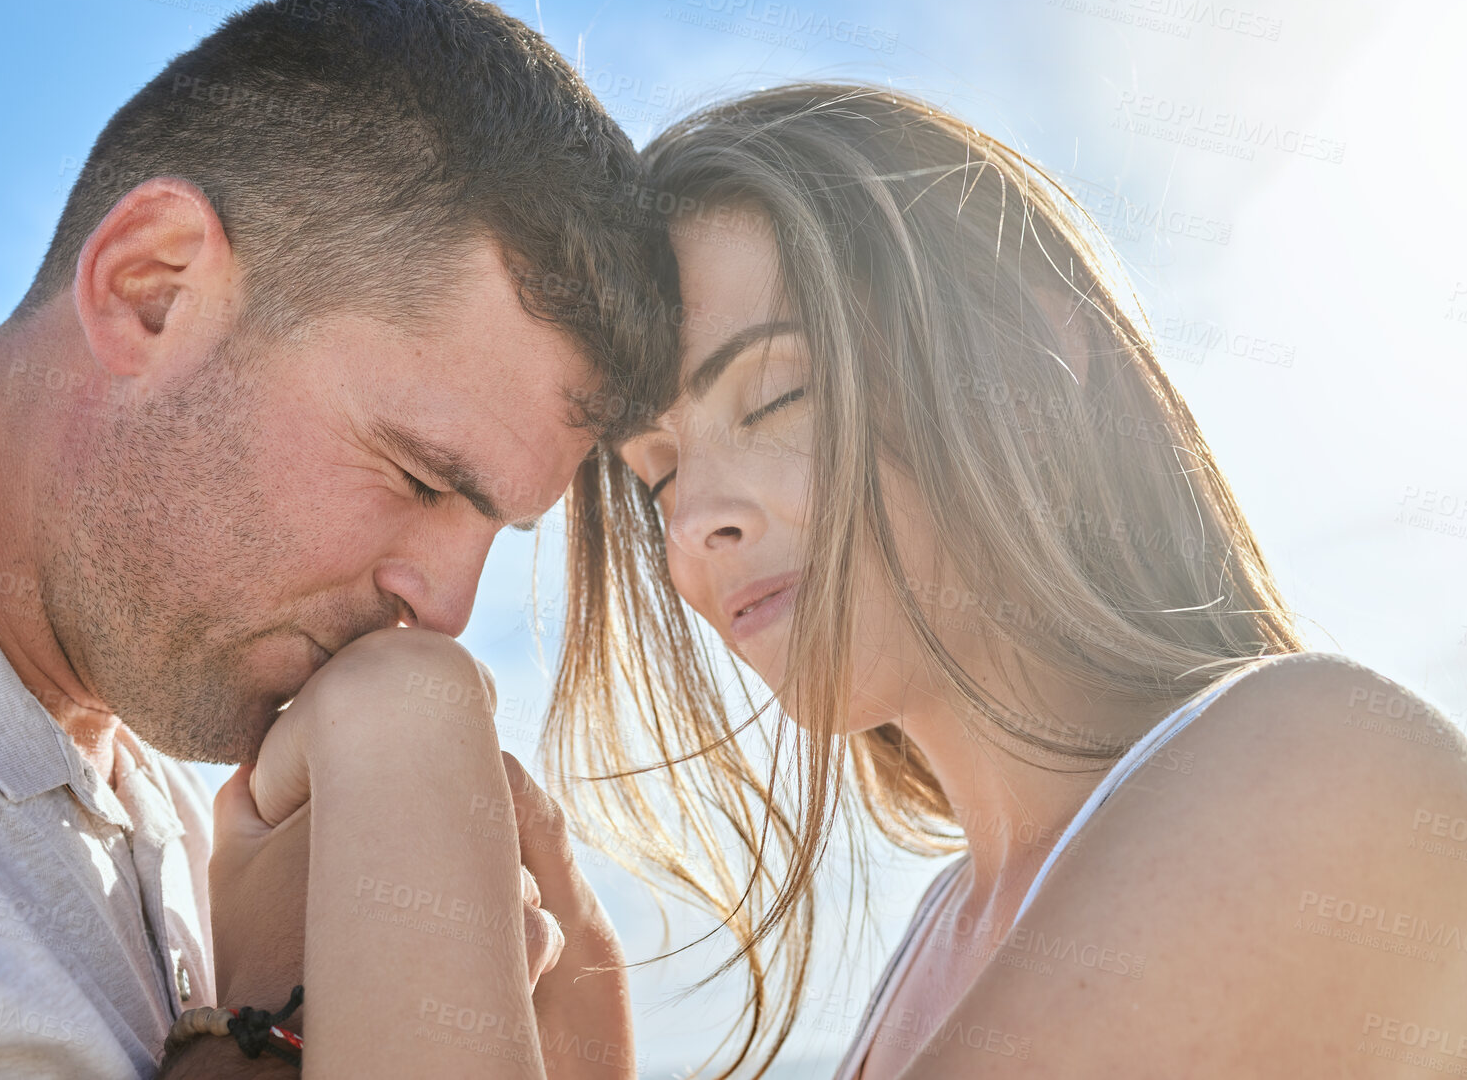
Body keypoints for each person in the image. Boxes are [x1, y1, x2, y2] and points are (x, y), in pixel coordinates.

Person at [0, 0, 671, 1079]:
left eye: (500, 528)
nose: (443, 607)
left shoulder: (197, 818)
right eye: (417, 477)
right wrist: (269, 1031)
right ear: (150, 289)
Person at [548, 84, 1467, 1078]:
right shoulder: (945, 926)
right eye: (660, 473)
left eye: (779, 395)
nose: (692, 522)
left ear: (1026, 362)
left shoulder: (1316, 761)